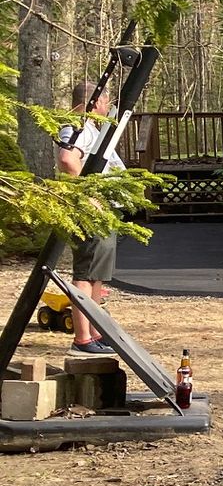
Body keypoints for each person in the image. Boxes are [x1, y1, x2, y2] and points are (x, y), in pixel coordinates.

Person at [55, 82, 125, 355]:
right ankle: (82, 338)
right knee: (85, 274)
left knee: (96, 275)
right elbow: (67, 160)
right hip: (91, 211)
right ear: (96, 103)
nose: (107, 108)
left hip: (104, 210)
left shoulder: (92, 128)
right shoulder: (77, 127)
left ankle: (95, 332)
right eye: (106, 102)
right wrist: (89, 197)